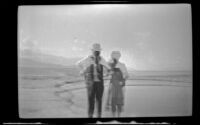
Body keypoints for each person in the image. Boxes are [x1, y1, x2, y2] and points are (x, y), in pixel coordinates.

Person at [76, 43, 110, 118]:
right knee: (91, 101)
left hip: (100, 84)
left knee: (99, 101)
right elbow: (78, 64)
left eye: (98, 51)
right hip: (90, 84)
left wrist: (106, 74)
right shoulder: (88, 59)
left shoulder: (101, 59)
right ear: (92, 51)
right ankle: (90, 117)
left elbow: (108, 68)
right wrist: (83, 71)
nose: (97, 52)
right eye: (96, 51)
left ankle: (99, 117)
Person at [105, 51, 129, 117]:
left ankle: (119, 117)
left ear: (119, 57)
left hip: (120, 86)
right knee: (112, 103)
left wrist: (122, 80)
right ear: (112, 56)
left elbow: (127, 75)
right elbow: (106, 74)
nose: (115, 57)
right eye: (113, 56)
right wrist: (109, 73)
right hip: (112, 85)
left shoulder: (122, 65)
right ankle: (113, 117)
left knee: (119, 103)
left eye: (116, 56)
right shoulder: (109, 65)